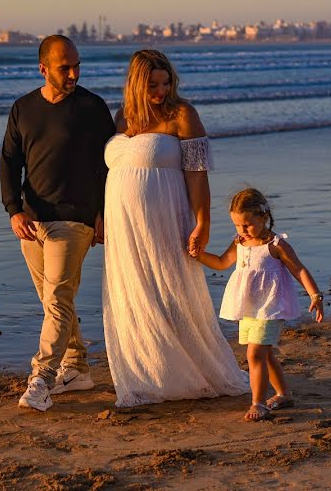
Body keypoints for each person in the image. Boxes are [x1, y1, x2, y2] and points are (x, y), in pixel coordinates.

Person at [102, 49, 248, 408]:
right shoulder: (122, 117)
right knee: (133, 293)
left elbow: (197, 175)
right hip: (123, 226)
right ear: (136, 82)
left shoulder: (183, 115)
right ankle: (147, 373)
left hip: (167, 218)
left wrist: (204, 222)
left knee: (171, 290)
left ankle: (187, 371)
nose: (161, 90)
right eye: (152, 84)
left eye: (166, 82)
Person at [1, 35, 115, 411]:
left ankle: (41, 378)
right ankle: (77, 367)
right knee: (53, 301)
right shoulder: (23, 108)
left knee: (57, 299)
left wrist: (103, 213)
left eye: (77, 66)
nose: (73, 73)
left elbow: (109, 166)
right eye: (65, 67)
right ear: (43, 68)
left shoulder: (92, 107)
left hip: (76, 218)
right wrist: (13, 209)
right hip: (32, 221)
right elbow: (9, 161)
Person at [194, 188, 325, 422]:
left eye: (247, 225)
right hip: (248, 308)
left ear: (263, 217)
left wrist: (315, 295)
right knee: (265, 355)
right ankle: (283, 394)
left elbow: (298, 269)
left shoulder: (276, 245)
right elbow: (223, 263)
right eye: (237, 226)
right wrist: (199, 256)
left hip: (270, 307)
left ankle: (258, 403)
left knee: (254, 354)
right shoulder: (240, 243)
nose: (242, 231)